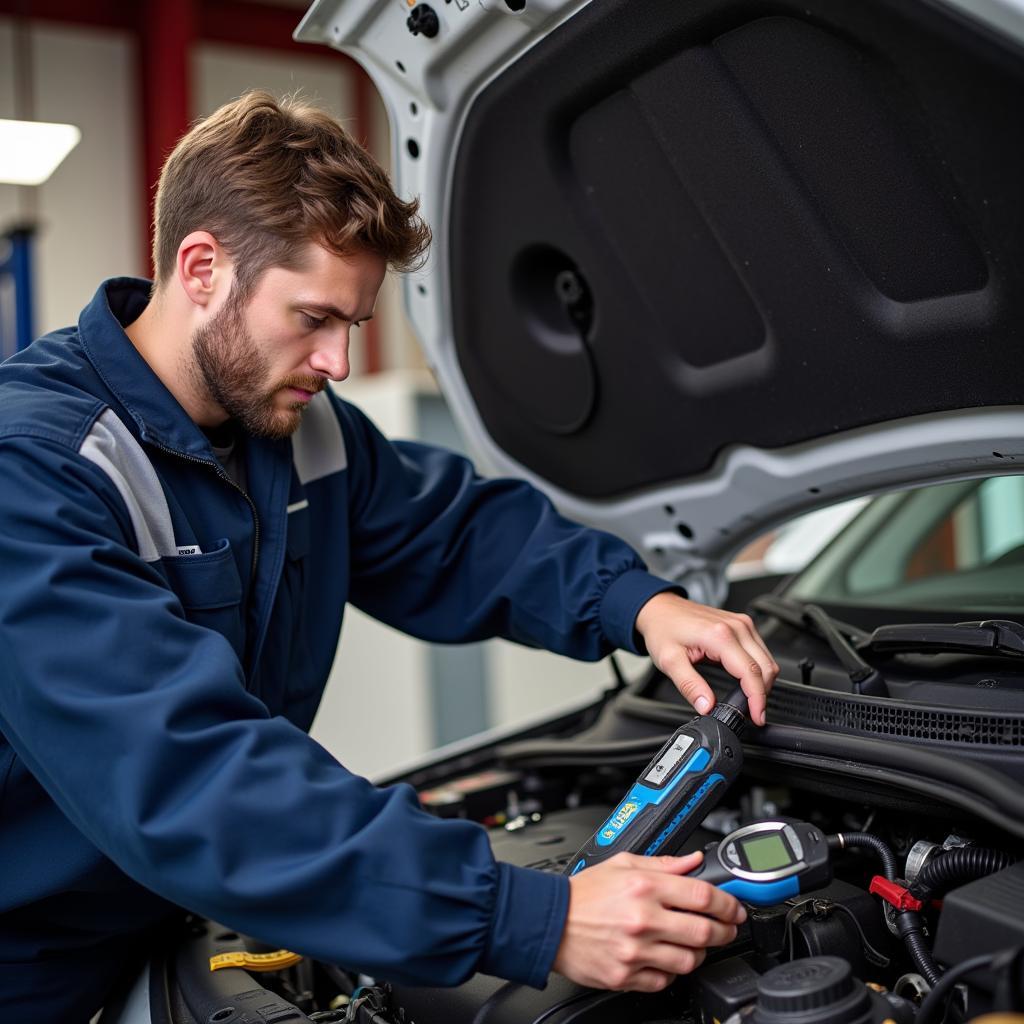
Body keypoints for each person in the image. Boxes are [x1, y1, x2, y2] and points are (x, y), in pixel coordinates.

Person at [0, 91, 778, 1021]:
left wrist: (639, 604)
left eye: (353, 327)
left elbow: (457, 534)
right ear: (201, 267)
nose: (336, 361)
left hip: (169, 916)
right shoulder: (34, 470)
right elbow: (185, 772)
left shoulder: (299, 433)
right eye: (313, 317)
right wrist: (533, 915)